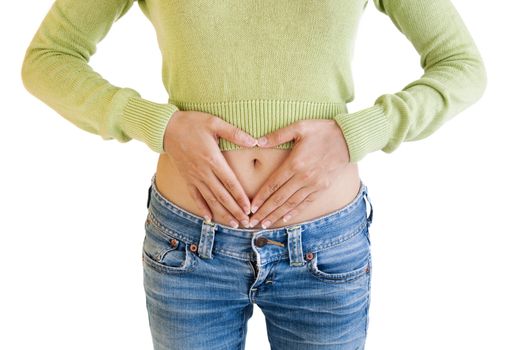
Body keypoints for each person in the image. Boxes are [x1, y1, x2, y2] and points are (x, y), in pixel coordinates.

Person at [21, 0, 487, 349]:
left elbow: (462, 66)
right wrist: (157, 124)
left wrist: (356, 134)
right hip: (189, 251)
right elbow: (49, 58)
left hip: (324, 251)